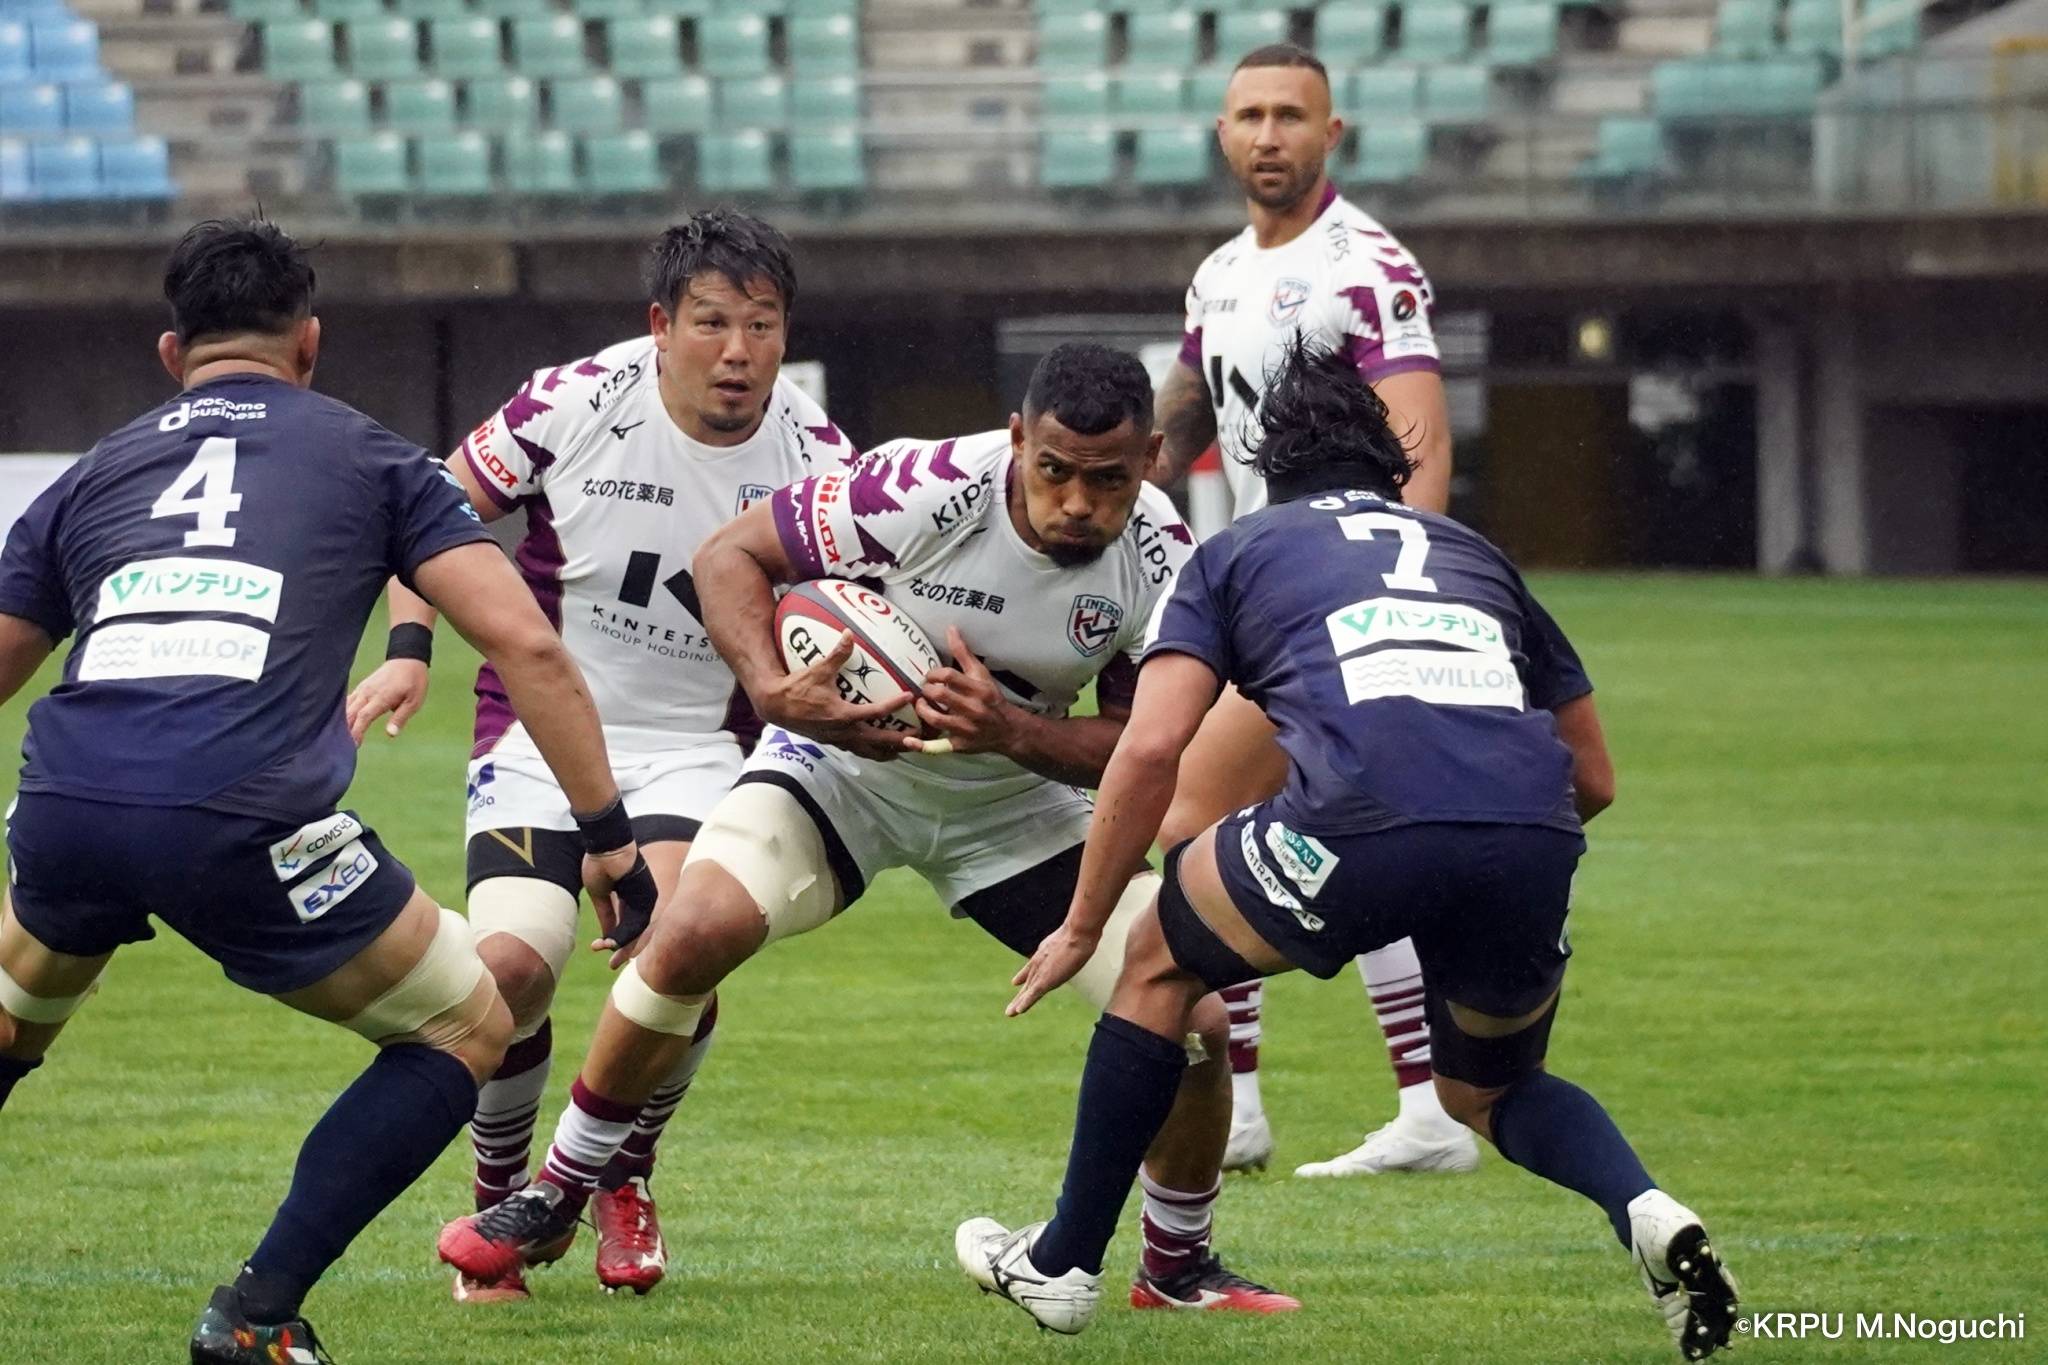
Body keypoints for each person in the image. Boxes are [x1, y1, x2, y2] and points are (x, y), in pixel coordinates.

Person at [438, 343, 1299, 1315]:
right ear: (1018, 438)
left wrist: (1014, 732)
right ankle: (559, 1190)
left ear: (1150, 459)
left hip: (1011, 806)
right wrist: (773, 690)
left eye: (1107, 481)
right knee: (691, 930)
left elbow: (1147, 747)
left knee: (1196, 1019)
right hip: (841, 772)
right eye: (1053, 469)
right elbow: (730, 555)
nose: (1075, 503)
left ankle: (1175, 1267)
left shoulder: (1166, 561)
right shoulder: (922, 486)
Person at [958, 338, 1741, 1360]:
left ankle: (1061, 1263)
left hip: (1356, 822)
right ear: (1391, 468)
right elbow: (1592, 777)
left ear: (1267, 468)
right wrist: (1463, 863)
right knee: (1488, 1090)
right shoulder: (1473, 555)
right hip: (1528, 838)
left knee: (1153, 958)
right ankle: (1644, 1207)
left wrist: (1079, 925)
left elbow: (1150, 749)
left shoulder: (1236, 550)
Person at [0, 218, 655, 1363]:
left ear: (172, 353)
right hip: (245, 816)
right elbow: (525, 645)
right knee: (466, 1025)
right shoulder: (373, 458)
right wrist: (606, 834)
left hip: (67, 806)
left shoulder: (94, 471)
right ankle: (257, 1315)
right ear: (309, 342)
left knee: (15, 1018)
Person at [344, 209, 857, 1302]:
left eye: (762, 325)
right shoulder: (572, 401)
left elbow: (861, 600)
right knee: (508, 973)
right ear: (660, 325)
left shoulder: (818, 458)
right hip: (539, 733)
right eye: (712, 322)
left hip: (699, 748)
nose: (738, 351)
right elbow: (430, 510)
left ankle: (622, 1169)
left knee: (678, 950)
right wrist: (407, 648)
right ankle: (499, 1201)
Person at [1151, 40, 1469, 1177]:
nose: (1269, 135)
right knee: (1336, 829)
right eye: (1249, 116)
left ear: (1331, 134)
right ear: (1221, 134)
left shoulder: (1366, 267)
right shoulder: (1218, 274)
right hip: (1255, 586)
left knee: (1188, 816)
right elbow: (1179, 424)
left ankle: (1238, 1099)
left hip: (1327, 604)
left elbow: (1419, 448)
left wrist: (1393, 597)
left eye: (1291, 115)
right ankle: (1419, 1108)